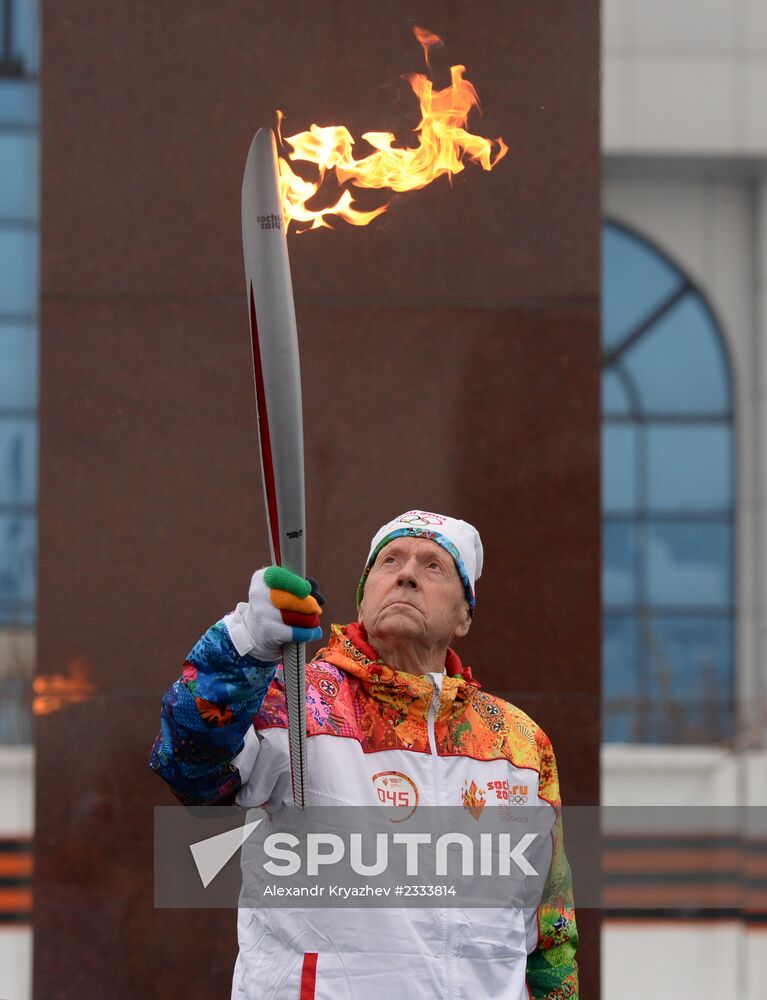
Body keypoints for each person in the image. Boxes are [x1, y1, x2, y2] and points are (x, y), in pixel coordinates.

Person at [151, 510, 578, 998]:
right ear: (363, 596)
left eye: (434, 566)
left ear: (465, 616)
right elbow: (190, 767)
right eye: (389, 561)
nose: (406, 575)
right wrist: (244, 646)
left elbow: (551, 937)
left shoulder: (518, 744)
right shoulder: (296, 700)